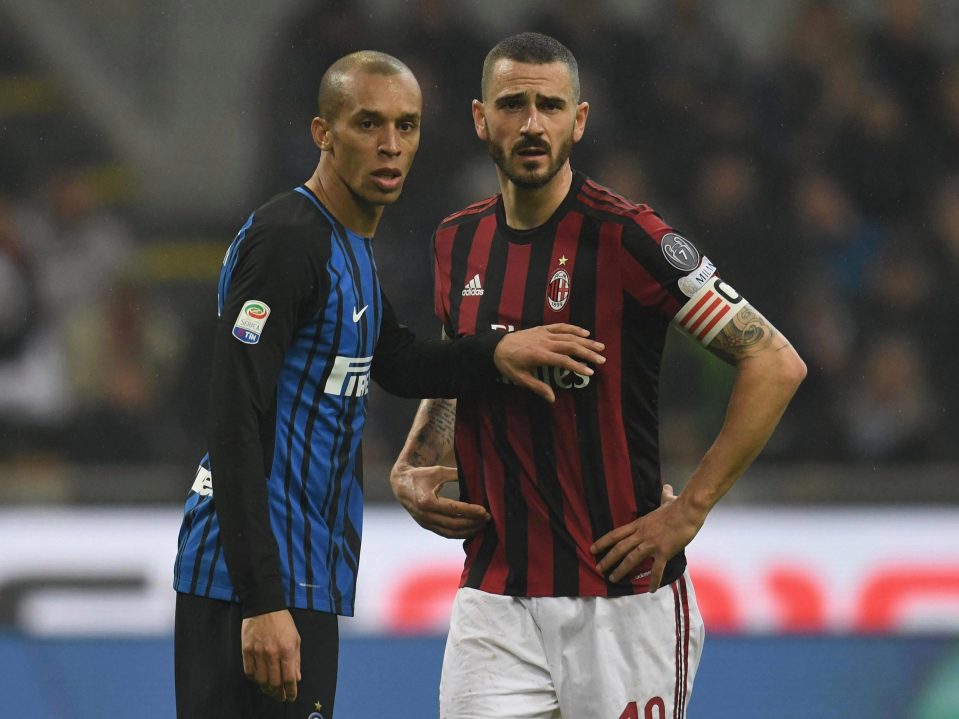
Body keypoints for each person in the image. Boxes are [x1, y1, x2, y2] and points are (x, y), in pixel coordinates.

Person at [172, 50, 605, 719]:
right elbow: (233, 420)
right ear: (323, 132)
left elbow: (397, 363)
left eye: (406, 126)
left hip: (300, 573)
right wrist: (262, 600)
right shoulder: (289, 243)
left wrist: (498, 351)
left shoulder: (351, 245)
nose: (390, 145)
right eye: (368, 124)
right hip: (247, 582)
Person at [390, 33, 807, 718]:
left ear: (577, 122)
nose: (531, 123)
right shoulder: (455, 240)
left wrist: (690, 507)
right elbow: (455, 358)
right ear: (478, 118)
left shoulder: (628, 237)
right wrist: (416, 457)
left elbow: (774, 360)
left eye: (549, 106)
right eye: (513, 104)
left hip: (620, 596)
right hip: (494, 594)